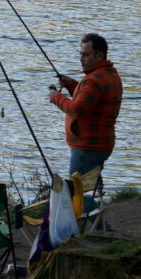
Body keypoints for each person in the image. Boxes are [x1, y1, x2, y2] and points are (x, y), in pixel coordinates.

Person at [48, 33, 123, 181]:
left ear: (99, 56)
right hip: (102, 143)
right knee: (90, 186)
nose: (81, 59)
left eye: (86, 55)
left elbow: (77, 110)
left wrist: (56, 97)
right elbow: (91, 99)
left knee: (76, 194)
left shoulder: (93, 80)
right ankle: (98, 201)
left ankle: (89, 204)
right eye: (81, 54)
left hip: (87, 147)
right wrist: (71, 85)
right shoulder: (109, 74)